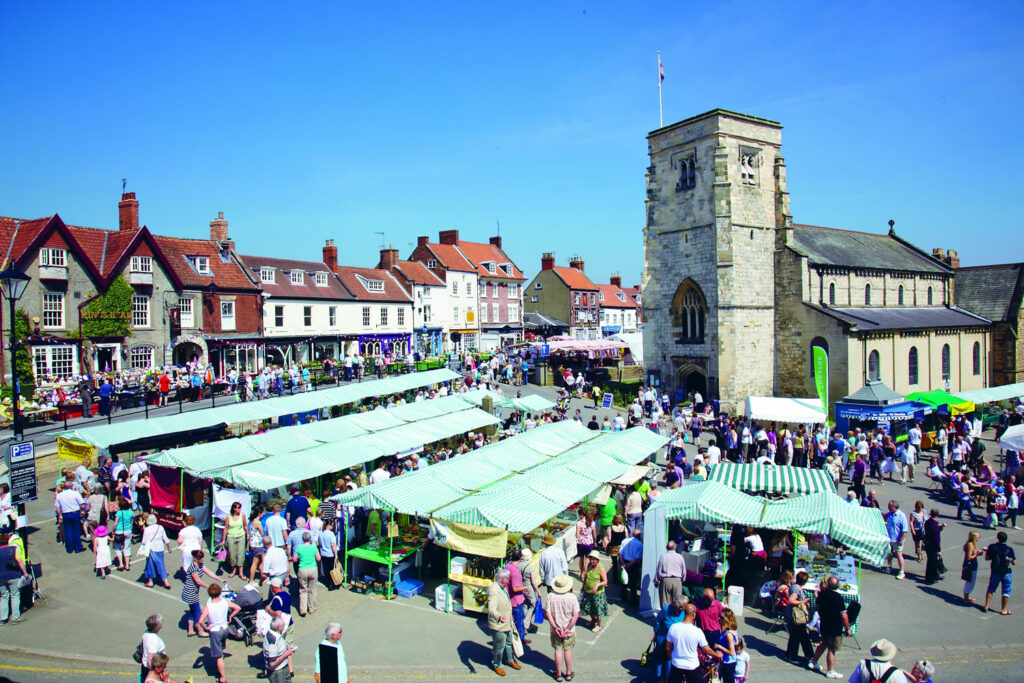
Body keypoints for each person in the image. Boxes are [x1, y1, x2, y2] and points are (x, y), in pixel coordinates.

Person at [665, 603, 722, 683]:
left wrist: (671, 657)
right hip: (692, 666)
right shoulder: (697, 631)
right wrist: (717, 654)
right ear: (694, 614)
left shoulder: (673, 628)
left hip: (677, 664)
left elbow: (668, 647)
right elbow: (707, 650)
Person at [809, 576, 851, 679]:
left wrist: (822, 615)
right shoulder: (838, 598)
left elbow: (818, 607)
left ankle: (814, 662)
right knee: (832, 649)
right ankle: (830, 671)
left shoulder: (822, 594)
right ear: (837, 586)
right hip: (834, 626)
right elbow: (844, 616)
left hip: (824, 623)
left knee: (823, 643)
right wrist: (847, 628)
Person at [198, 582, 241, 683]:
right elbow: (237, 608)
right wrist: (230, 616)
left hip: (215, 631)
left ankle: (222, 677)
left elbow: (200, 621)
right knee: (221, 647)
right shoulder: (225, 602)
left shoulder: (209, 606)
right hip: (225, 628)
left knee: (218, 656)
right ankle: (221, 661)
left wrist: (206, 627)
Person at [487, 568, 521, 676]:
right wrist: (499, 616)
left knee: (509, 643)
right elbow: (491, 608)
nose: (509, 581)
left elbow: (506, 602)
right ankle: (497, 664)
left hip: (507, 621)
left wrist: (509, 616)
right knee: (499, 646)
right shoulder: (494, 590)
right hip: (499, 623)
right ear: (503, 580)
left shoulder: (503, 587)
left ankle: (510, 659)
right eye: (508, 579)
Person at [182, 549, 224, 637]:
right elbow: (198, 581)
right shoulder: (192, 568)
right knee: (197, 612)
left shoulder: (200, 565)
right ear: (194, 558)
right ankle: (200, 631)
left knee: (192, 611)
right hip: (190, 593)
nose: (202, 560)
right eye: (200, 558)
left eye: (202, 558)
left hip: (193, 592)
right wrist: (210, 587)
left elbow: (209, 572)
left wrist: (219, 579)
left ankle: (190, 630)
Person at [546, 574, 579, 682]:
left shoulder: (550, 596)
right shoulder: (572, 597)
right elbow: (575, 615)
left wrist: (555, 627)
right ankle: (568, 673)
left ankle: (559, 673)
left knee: (558, 650)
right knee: (568, 650)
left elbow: (548, 613)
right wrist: (567, 628)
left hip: (556, 628)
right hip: (568, 629)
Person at [982, 530, 1016, 615]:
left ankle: (986, 605)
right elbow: (1014, 562)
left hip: (995, 571)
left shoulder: (992, 547)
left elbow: (987, 558)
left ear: (998, 538)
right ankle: (1003, 609)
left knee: (991, 588)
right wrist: (1008, 559)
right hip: (1006, 572)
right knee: (1006, 591)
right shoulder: (1009, 549)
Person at [784, 570, 815, 665]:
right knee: (796, 637)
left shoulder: (795, 586)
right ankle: (792, 656)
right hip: (796, 616)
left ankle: (809, 655)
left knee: (802, 636)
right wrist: (803, 602)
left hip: (796, 616)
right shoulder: (796, 590)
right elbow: (791, 601)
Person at [0, 532, 30, 624]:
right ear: (8, 541)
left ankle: (3, 618)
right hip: (14, 575)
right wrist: (25, 573)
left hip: (1, 577)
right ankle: (15, 618)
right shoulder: (14, 549)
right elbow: (20, 561)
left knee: (3, 597)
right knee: (15, 595)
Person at [293, 531, 321, 617]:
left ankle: (303, 609)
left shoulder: (299, 548)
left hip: (302, 569)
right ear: (310, 538)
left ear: (302, 539)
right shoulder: (314, 547)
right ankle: (311, 608)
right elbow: (318, 558)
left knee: (303, 589)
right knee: (312, 589)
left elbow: (294, 560)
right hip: (313, 569)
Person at [263, 615, 297, 683]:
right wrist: (286, 654)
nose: (285, 626)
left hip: (283, 668)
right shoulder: (273, 641)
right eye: (283, 625)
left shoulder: (274, 634)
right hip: (278, 672)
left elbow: (278, 649)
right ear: (279, 627)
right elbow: (272, 663)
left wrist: (287, 648)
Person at [141, 514, 172, 590]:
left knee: (150, 565)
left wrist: (143, 549)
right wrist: (169, 548)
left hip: (151, 548)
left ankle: (151, 581)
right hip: (160, 548)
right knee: (161, 563)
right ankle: (165, 581)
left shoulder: (147, 529)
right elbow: (165, 538)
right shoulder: (160, 527)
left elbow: (144, 541)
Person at [54, 481, 86, 553]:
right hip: (75, 513)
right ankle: (77, 547)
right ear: (71, 486)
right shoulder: (75, 494)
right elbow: (81, 504)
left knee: (68, 531)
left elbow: (57, 507)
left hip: (66, 514)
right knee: (76, 531)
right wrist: (85, 509)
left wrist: (59, 515)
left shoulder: (60, 495)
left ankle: (69, 548)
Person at [579, 554, 608, 632]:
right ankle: (593, 620)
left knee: (597, 609)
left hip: (597, 593)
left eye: (594, 560)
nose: (592, 561)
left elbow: (605, 581)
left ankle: (598, 625)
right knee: (588, 607)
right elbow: (586, 577)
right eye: (591, 559)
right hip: (588, 591)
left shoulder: (601, 568)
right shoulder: (589, 565)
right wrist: (583, 586)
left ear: (597, 560)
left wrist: (597, 585)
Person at [655, 541, 686, 609]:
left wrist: (656, 581)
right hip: (677, 580)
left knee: (665, 602)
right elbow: (684, 571)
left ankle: (665, 618)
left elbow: (659, 569)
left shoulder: (663, 556)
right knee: (678, 602)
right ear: (675, 548)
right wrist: (682, 580)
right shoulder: (680, 557)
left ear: (666, 547)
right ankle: (675, 617)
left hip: (666, 580)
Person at [620, 529, 644, 608]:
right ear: (639, 536)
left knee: (624, 581)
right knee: (633, 584)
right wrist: (629, 565)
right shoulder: (640, 544)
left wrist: (623, 563)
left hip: (625, 562)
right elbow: (637, 558)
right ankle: (633, 601)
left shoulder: (624, 541)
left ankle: (624, 598)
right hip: (633, 565)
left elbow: (620, 553)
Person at [884, 500, 908, 580]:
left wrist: (901, 539)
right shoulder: (889, 514)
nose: (888, 508)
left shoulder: (901, 516)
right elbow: (885, 522)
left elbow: (905, 530)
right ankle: (889, 566)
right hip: (889, 538)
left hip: (897, 540)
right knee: (889, 554)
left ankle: (901, 571)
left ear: (894, 507)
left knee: (899, 555)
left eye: (889, 507)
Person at [714, 608, 740, 683]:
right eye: (719, 616)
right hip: (727, 661)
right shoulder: (730, 630)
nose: (719, 619)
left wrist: (719, 646)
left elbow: (731, 652)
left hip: (728, 662)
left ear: (727, 619)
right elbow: (735, 643)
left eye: (721, 617)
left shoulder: (728, 634)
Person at [139, 613, 167, 682]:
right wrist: (157, 672)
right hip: (152, 669)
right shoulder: (154, 640)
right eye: (161, 621)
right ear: (157, 627)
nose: (162, 622)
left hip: (144, 667)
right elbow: (150, 660)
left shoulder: (146, 632)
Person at [224, 501, 247, 578]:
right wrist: (223, 540)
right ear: (234, 508)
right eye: (238, 508)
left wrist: (247, 534)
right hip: (231, 536)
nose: (239, 509)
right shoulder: (228, 516)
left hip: (241, 536)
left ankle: (241, 572)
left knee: (241, 554)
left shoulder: (242, 515)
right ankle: (233, 570)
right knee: (232, 554)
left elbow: (245, 525)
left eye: (240, 507)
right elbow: (226, 528)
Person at [923, 508, 946, 584]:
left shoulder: (928, 522)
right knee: (932, 562)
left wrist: (940, 527)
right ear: (937, 515)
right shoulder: (935, 525)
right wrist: (939, 550)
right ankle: (931, 578)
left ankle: (934, 575)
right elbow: (937, 539)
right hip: (933, 546)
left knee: (931, 561)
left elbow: (930, 532)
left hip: (928, 544)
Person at [574, 509, 597, 578]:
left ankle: (581, 573)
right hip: (589, 543)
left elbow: (577, 535)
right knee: (588, 559)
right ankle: (585, 572)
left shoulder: (578, 523)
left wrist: (579, 535)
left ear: (581, 515)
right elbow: (594, 534)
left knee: (581, 558)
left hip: (581, 543)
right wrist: (595, 542)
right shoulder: (592, 522)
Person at [962, 530, 982, 604]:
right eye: (977, 536)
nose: (979, 537)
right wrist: (977, 554)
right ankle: (966, 597)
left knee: (970, 581)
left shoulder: (970, 544)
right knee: (970, 582)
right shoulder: (971, 545)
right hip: (971, 566)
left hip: (971, 565)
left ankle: (967, 596)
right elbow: (969, 557)